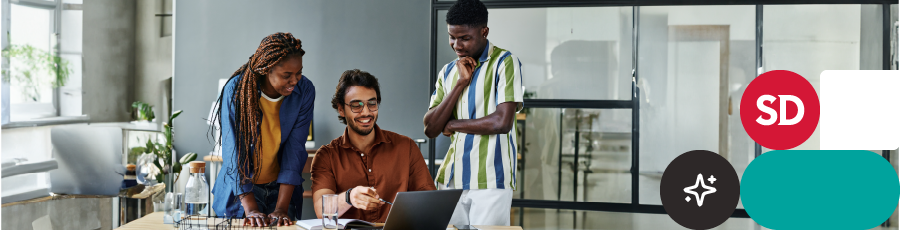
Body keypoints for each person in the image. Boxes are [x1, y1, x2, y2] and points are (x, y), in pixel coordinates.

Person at [422, 0, 523, 226]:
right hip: (451, 178)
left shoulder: (505, 63)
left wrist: (452, 125)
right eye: (452, 37)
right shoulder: (448, 71)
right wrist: (460, 84)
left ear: (484, 32)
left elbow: (501, 122)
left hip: (491, 180)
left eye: (464, 38)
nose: (457, 45)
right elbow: (430, 128)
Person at [210, 32, 315, 227]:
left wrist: (282, 208)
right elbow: (234, 152)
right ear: (267, 70)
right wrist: (250, 209)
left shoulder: (305, 91)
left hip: (281, 190)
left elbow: (295, 149)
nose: (295, 80)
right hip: (241, 192)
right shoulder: (237, 90)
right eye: (287, 75)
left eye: (299, 72)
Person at [312, 69, 436, 223]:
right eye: (356, 105)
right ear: (341, 109)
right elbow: (322, 210)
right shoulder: (327, 156)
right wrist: (349, 197)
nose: (366, 112)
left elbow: (431, 202)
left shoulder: (406, 147)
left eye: (372, 103)